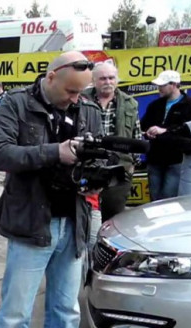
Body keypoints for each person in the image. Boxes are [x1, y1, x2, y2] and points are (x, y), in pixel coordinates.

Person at [0, 52, 102, 328]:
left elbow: (98, 153)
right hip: (32, 221)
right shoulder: (16, 103)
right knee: (15, 312)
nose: (76, 99)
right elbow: (0, 155)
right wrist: (54, 153)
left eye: (82, 92)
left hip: (74, 220)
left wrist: (99, 167)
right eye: (71, 91)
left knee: (67, 310)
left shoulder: (88, 108)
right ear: (51, 77)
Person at [81, 63, 141, 221]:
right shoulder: (81, 99)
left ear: (117, 80)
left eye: (111, 78)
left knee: (113, 217)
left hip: (119, 169)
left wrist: (132, 165)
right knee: (84, 215)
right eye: (102, 78)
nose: (107, 81)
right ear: (94, 80)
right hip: (87, 166)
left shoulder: (130, 103)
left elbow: (136, 135)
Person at [141, 70, 191, 201]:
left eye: (162, 85)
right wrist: (148, 132)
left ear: (174, 85)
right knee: (154, 197)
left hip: (176, 159)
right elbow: (144, 124)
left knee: (169, 198)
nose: (159, 89)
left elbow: (190, 129)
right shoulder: (155, 105)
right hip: (154, 158)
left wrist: (165, 130)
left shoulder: (190, 105)